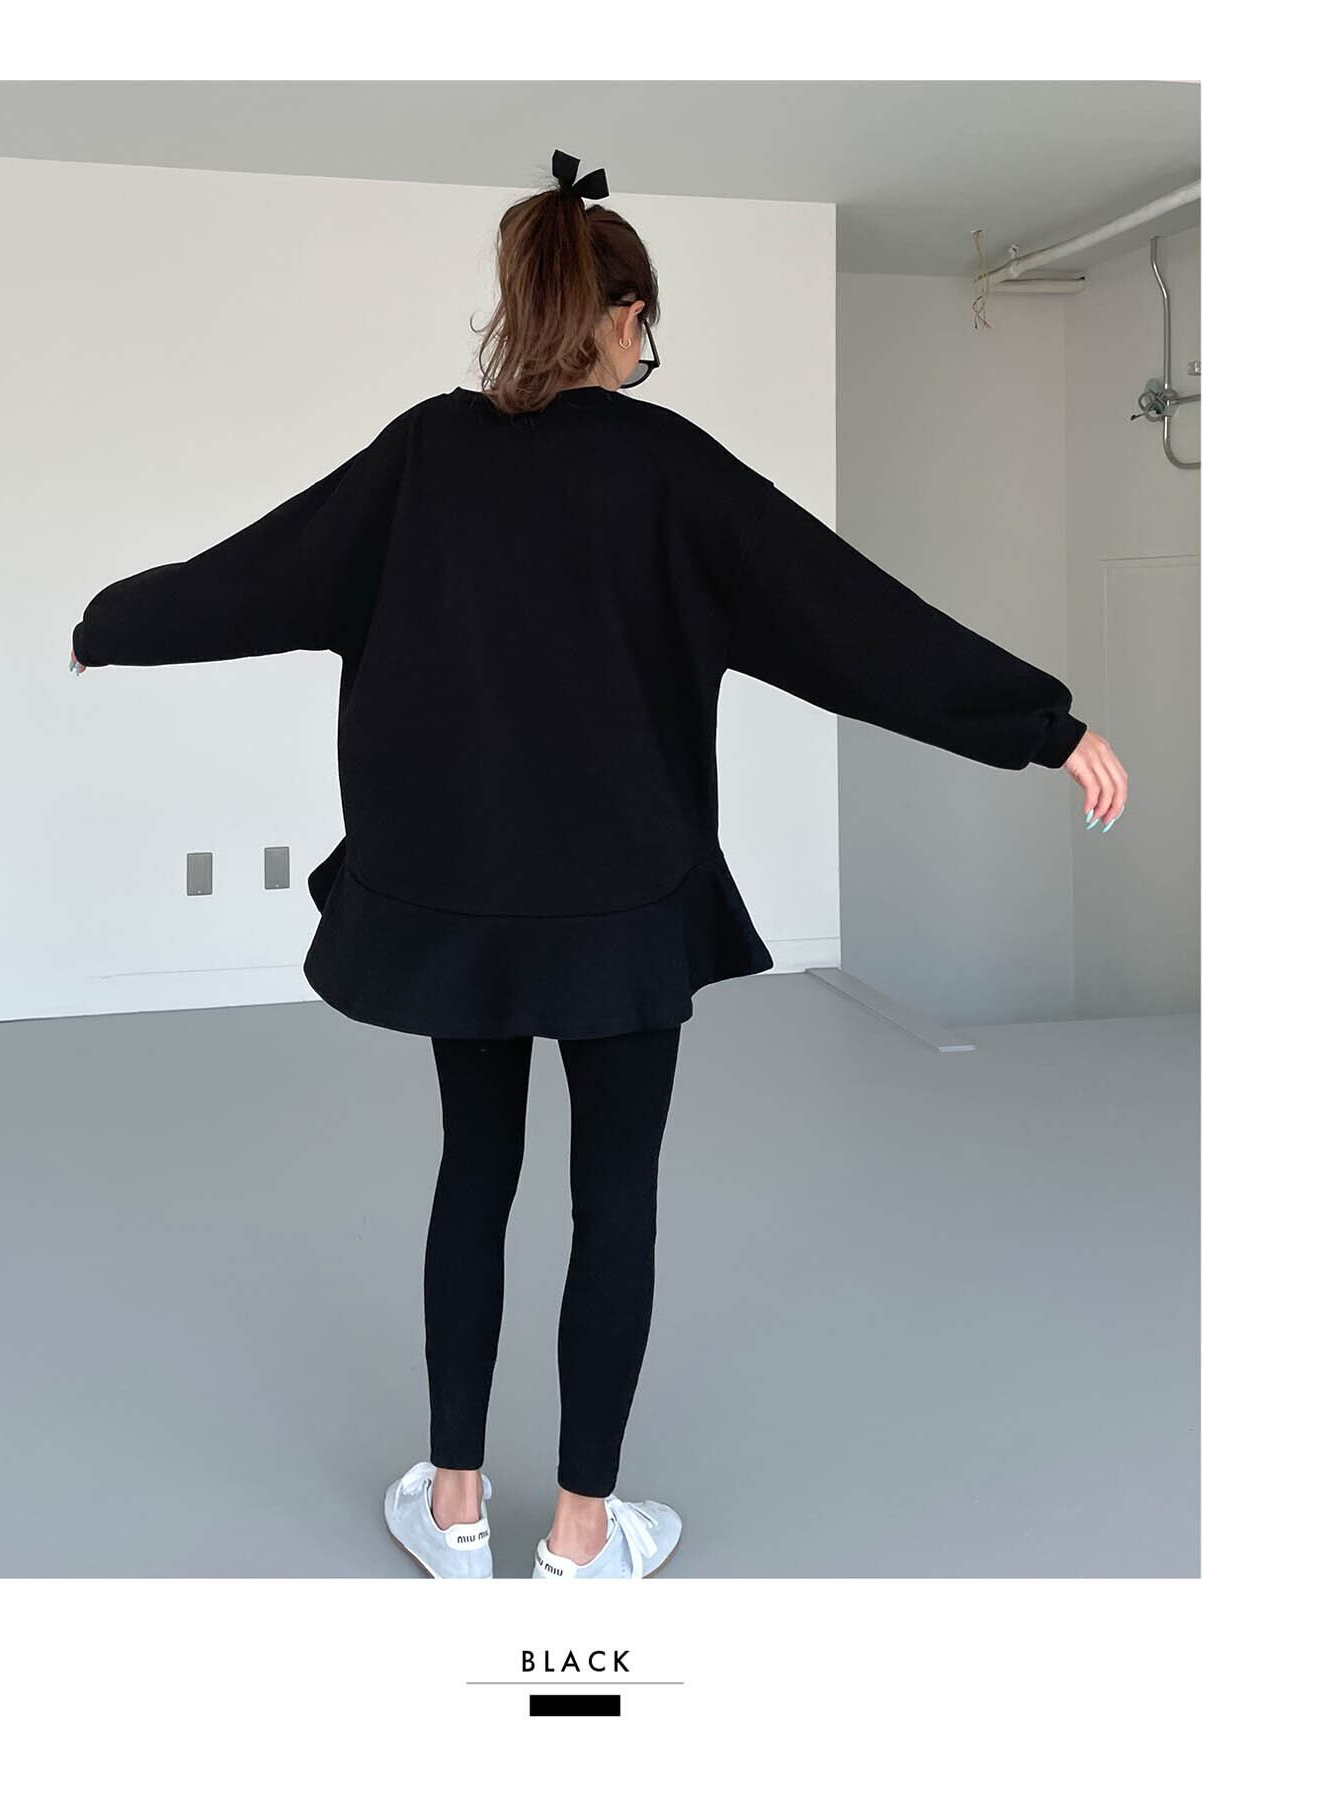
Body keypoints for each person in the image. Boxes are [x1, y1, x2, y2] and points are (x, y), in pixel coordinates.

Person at [69, 147, 1129, 1581]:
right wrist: (1039, 725)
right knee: (612, 1194)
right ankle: (581, 1536)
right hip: (623, 909)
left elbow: (254, 574)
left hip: (456, 905)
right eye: (648, 327)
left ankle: (454, 1512)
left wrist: (111, 626)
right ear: (619, 315)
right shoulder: (666, 468)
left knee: (475, 1171)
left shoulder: (424, 455)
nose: (646, 351)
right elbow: (848, 616)